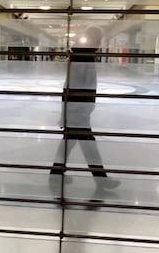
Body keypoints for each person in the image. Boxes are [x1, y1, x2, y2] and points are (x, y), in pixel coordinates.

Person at [49, 26, 121, 192]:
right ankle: (101, 179)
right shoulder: (83, 57)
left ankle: (55, 174)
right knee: (88, 145)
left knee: (70, 143)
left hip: (75, 109)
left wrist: (67, 110)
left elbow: (69, 85)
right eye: (98, 40)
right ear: (92, 39)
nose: (99, 44)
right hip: (78, 110)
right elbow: (76, 85)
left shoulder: (81, 55)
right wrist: (81, 110)